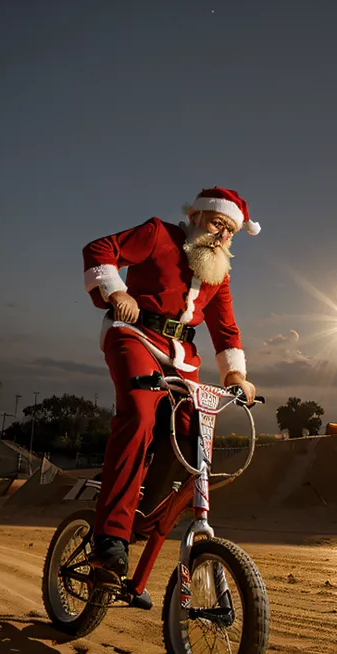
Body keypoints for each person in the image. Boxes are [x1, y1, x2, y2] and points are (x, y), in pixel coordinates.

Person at [82, 186, 260, 578]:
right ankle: (109, 537)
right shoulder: (158, 234)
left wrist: (236, 375)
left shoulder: (219, 273)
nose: (222, 236)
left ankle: (142, 516)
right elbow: (100, 249)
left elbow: (226, 330)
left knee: (193, 436)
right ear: (196, 217)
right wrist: (117, 291)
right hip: (133, 334)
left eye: (231, 231)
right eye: (217, 224)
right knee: (140, 414)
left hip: (182, 356)